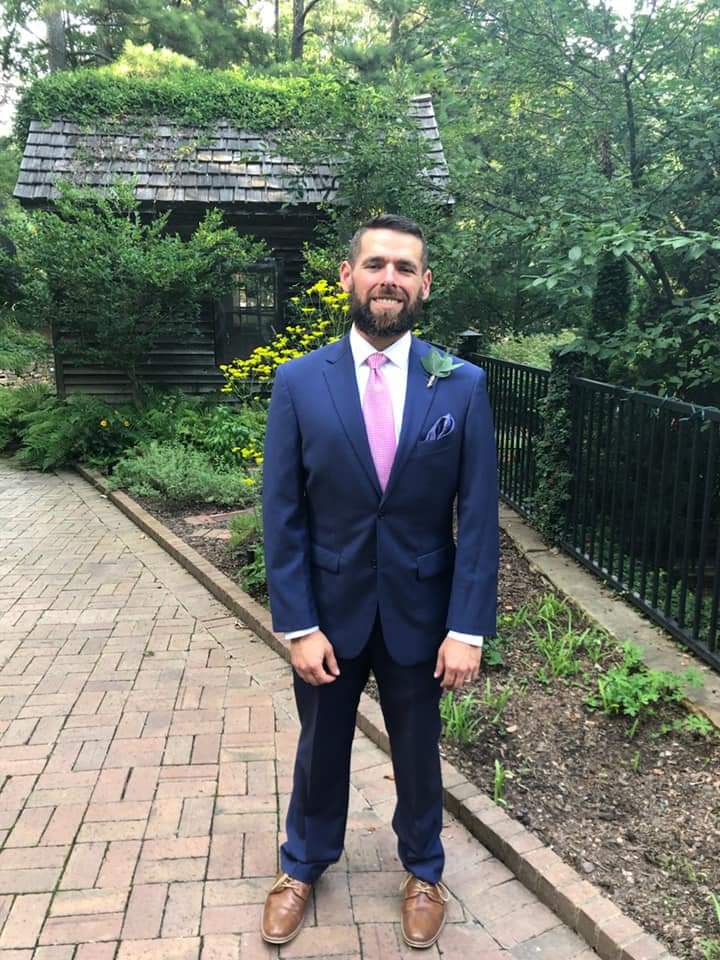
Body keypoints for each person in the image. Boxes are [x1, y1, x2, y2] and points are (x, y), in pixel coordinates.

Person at [260, 213, 499, 949]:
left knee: (419, 749)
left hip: (420, 613)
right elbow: (282, 513)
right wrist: (298, 625)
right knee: (320, 746)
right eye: (375, 265)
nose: (388, 279)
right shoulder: (299, 382)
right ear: (348, 276)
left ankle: (424, 871)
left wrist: (467, 628)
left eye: (404, 268)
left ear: (424, 284)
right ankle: (302, 864)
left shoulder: (461, 386)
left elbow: (478, 517)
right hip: (328, 614)